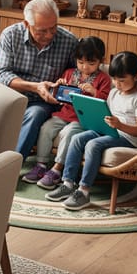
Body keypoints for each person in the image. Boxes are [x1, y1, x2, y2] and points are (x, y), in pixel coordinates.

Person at [45, 52, 137, 210]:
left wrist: (120, 125)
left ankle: (84, 191)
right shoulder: (115, 92)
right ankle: (67, 184)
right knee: (77, 138)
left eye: (122, 80)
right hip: (108, 130)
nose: (117, 84)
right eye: (114, 79)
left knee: (93, 145)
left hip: (127, 137)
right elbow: (106, 113)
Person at [0, 0, 78, 162]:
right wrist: (35, 86)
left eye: (53, 28)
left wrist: (62, 86)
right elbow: (1, 73)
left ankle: (12, 166)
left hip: (43, 102)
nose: (49, 35)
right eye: (42, 31)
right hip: (11, 96)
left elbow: (77, 76)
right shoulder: (11, 35)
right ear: (27, 24)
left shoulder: (69, 41)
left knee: (35, 114)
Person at [27, 36, 111, 189]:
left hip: (82, 119)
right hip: (64, 114)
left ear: (101, 61)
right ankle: (41, 165)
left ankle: (57, 169)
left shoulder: (103, 79)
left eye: (91, 63)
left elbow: (105, 103)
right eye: (81, 62)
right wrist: (58, 86)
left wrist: (94, 91)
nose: (85, 67)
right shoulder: (69, 73)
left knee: (69, 133)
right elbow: (58, 97)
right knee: (46, 128)